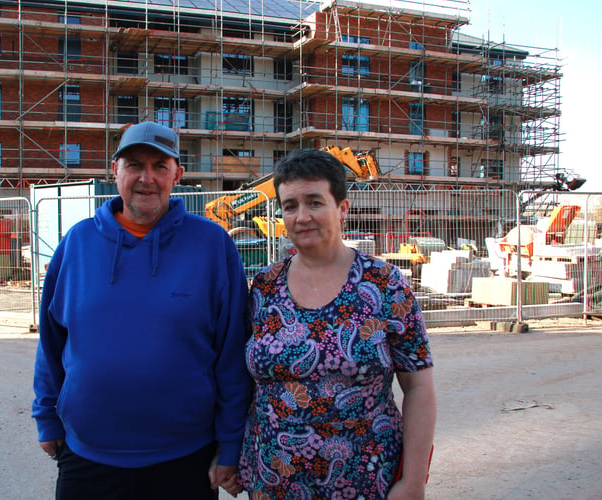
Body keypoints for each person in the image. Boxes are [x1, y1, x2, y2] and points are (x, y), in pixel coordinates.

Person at [32, 121, 251, 499]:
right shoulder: (78, 243)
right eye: (134, 164)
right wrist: (46, 416)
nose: (146, 178)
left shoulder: (211, 245)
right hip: (87, 457)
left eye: (159, 166)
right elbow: (52, 343)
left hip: (185, 459)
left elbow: (232, 352)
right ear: (114, 170)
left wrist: (230, 442)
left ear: (177, 175)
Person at [238, 149, 436, 500]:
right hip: (273, 480)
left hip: (365, 480)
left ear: (342, 208)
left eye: (315, 202)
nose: (302, 217)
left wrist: (413, 481)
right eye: (290, 206)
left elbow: (419, 388)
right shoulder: (264, 287)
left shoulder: (384, 284)